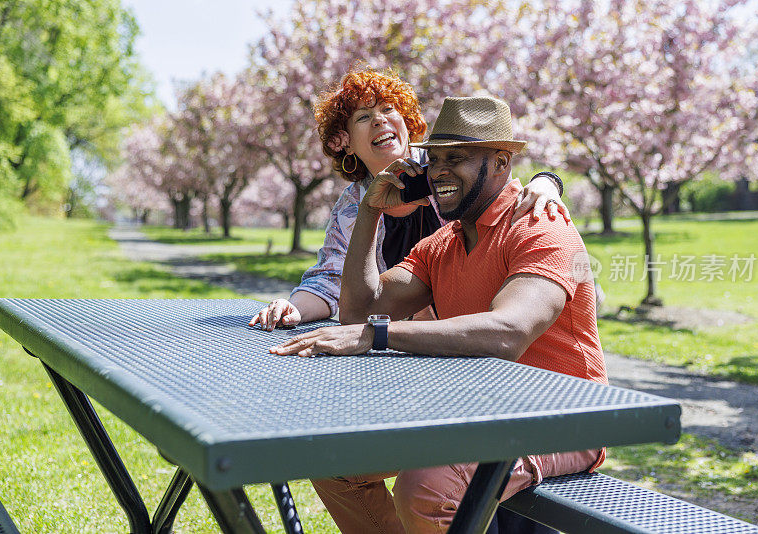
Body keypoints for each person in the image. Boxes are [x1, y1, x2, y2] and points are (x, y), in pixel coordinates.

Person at [270, 96, 608, 533]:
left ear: (502, 163)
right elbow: (358, 311)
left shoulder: (542, 227)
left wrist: (379, 336)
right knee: (334, 461)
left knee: (427, 488)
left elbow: (509, 332)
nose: (439, 170)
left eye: (457, 158)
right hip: (479, 407)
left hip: (566, 417)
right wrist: (370, 212)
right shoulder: (443, 244)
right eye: (435, 159)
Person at [249, 69, 569, 330]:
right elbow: (332, 278)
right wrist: (293, 308)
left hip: (480, 324)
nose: (379, 120)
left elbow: (497, 181)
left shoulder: (442, 169)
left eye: (388, 109)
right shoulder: (353, 204)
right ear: (344, 143)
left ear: (407, 123)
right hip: (407, 336)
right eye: (363, 117)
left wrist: (547, 181)